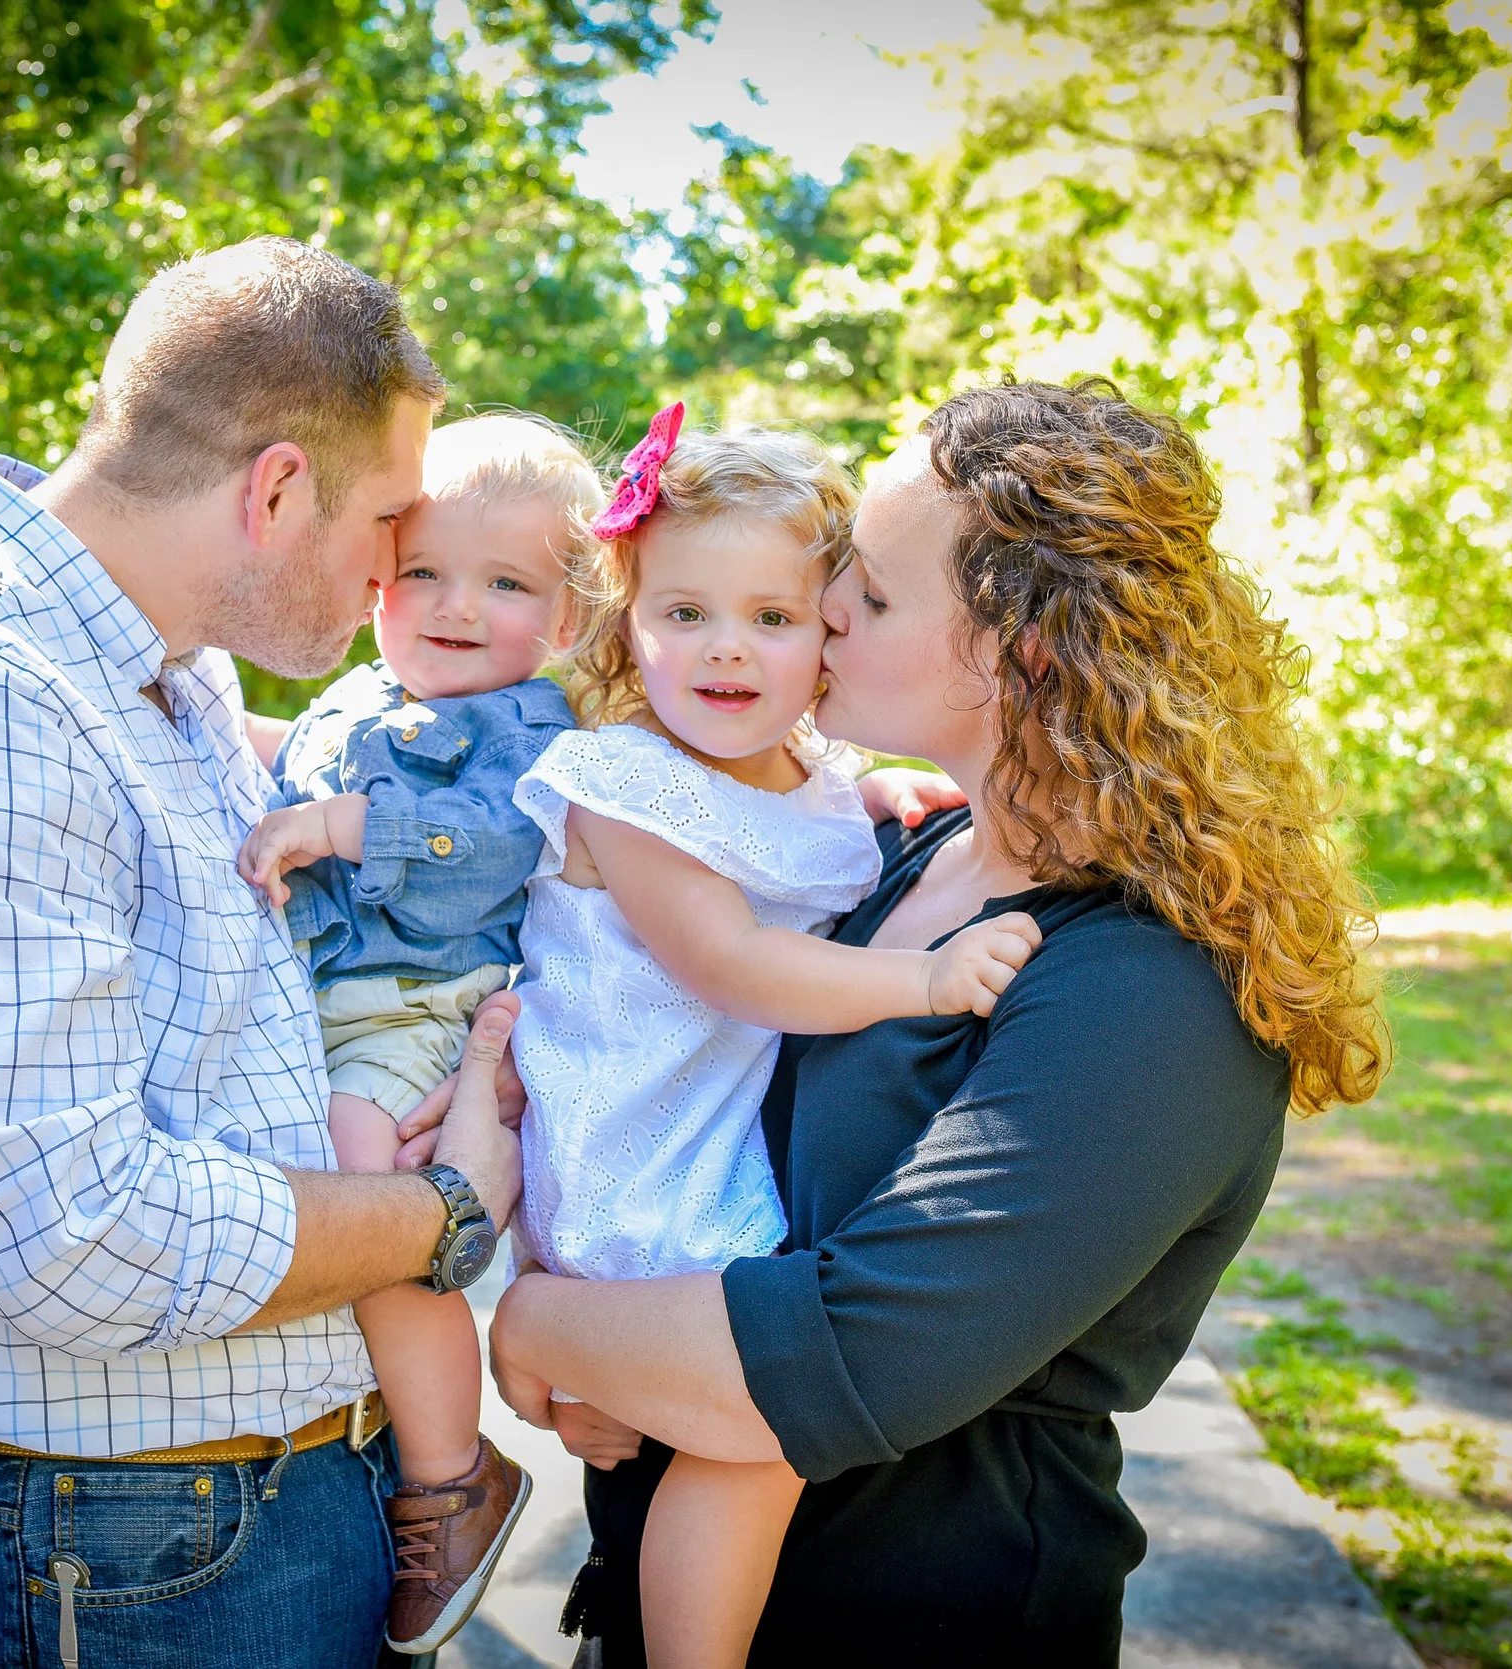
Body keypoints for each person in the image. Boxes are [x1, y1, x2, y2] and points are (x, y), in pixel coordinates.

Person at [470, 377, 1392, 1666]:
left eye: (876, 594)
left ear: (1021, 653)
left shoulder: (1148, 988)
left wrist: (538, 1325)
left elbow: (838, 1359)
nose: (826, 607)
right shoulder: (899, 858)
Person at [0, 236, 529, 1669]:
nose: (393, 574)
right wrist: (440, 1215)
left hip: (240, 1522)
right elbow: (78, 1235)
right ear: (278, 488)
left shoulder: (167, 674)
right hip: (122, 1568)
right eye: (390, 523)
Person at [503, 409, 1040, 1669]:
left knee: (741, 1441)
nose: (725, 649)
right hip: (634, 1157)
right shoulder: (619, 782)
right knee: (760, 1437)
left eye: (772, 617)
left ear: (828, 638)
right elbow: (729, 961)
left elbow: (784, 830)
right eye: (683, 612)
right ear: (628, 621)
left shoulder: (806, 773)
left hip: (700, 1143)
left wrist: (867, 792)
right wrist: (920, 978)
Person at [232, 413, 604, 1654]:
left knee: (362, 1187)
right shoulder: (357, 696)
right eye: (426, 574)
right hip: (332, 1001)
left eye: (506, 584)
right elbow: (283, 767)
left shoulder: (534, 729)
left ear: (563, 617)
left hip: (423, 1000)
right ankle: (403, 1427)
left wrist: (341, 828)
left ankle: (450, 1477)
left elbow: (486, 850)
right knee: (323, 1185)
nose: (455, 607)